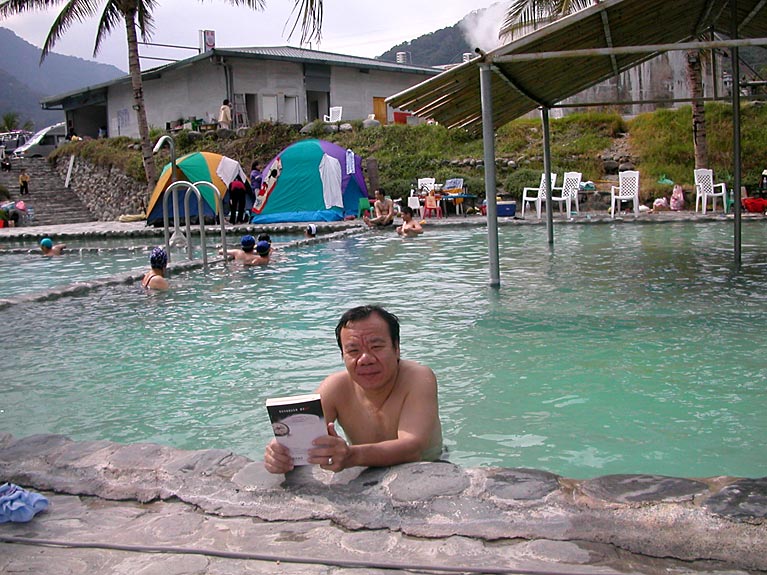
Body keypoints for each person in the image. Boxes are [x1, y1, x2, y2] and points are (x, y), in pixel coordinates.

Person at [264, 305, 443, 474]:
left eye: (376, 347)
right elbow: (297, 436)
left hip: (429, 469)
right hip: (365, 472)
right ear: (343, 355)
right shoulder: (337, 386)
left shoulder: (418, 377)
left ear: (396, 348)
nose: (365, 359)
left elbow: (413, 448)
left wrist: (351, 455)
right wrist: (279, 454)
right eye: (353, 351)